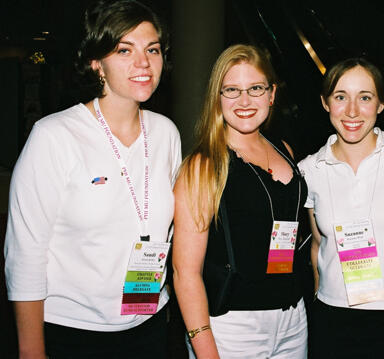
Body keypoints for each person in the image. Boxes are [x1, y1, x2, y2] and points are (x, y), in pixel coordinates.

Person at [4, 1, 181, 358]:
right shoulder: (54, 136)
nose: (143, 63)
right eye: (124, 50)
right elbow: (25, 253)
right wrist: (31, 349)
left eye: (152, 49)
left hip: (149, 324)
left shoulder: (166, 133)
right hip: (72, 332)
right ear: (96, 62)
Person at [172, 44, 308, 359]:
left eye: (255, 88)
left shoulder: (284, 148)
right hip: (233, 328)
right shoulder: (205, 165)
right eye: (231, 90)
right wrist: (204, 347)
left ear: (272, 94)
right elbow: (185, 272)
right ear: (217, 98)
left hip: (293, 319)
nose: (244, 101)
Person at [298, 58, 384, 358]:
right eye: (340, 97)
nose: (352, 111)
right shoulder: (310, 170)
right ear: (325, 103)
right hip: (332, 316)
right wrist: (318, 297)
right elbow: (318, 244)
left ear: (382, 104)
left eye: (365, 97)